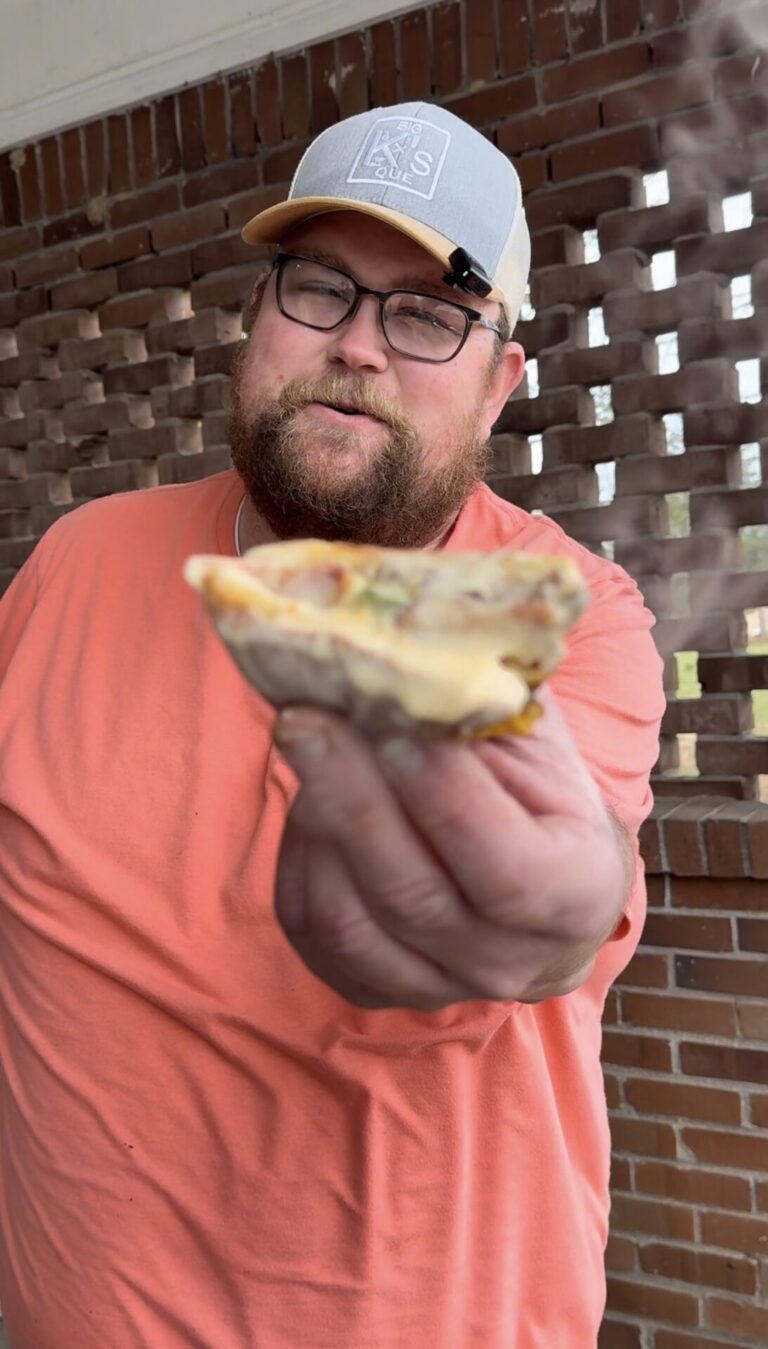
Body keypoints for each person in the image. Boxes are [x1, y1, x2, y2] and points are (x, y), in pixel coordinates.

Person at [0, 101, 664, 1348]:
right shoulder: (71, 567)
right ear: (258, 317)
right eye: (323, 289)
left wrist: (544, 908)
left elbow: (553, 896)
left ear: (500, 380)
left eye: (427, 312)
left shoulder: (562, 616)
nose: (360, 344)